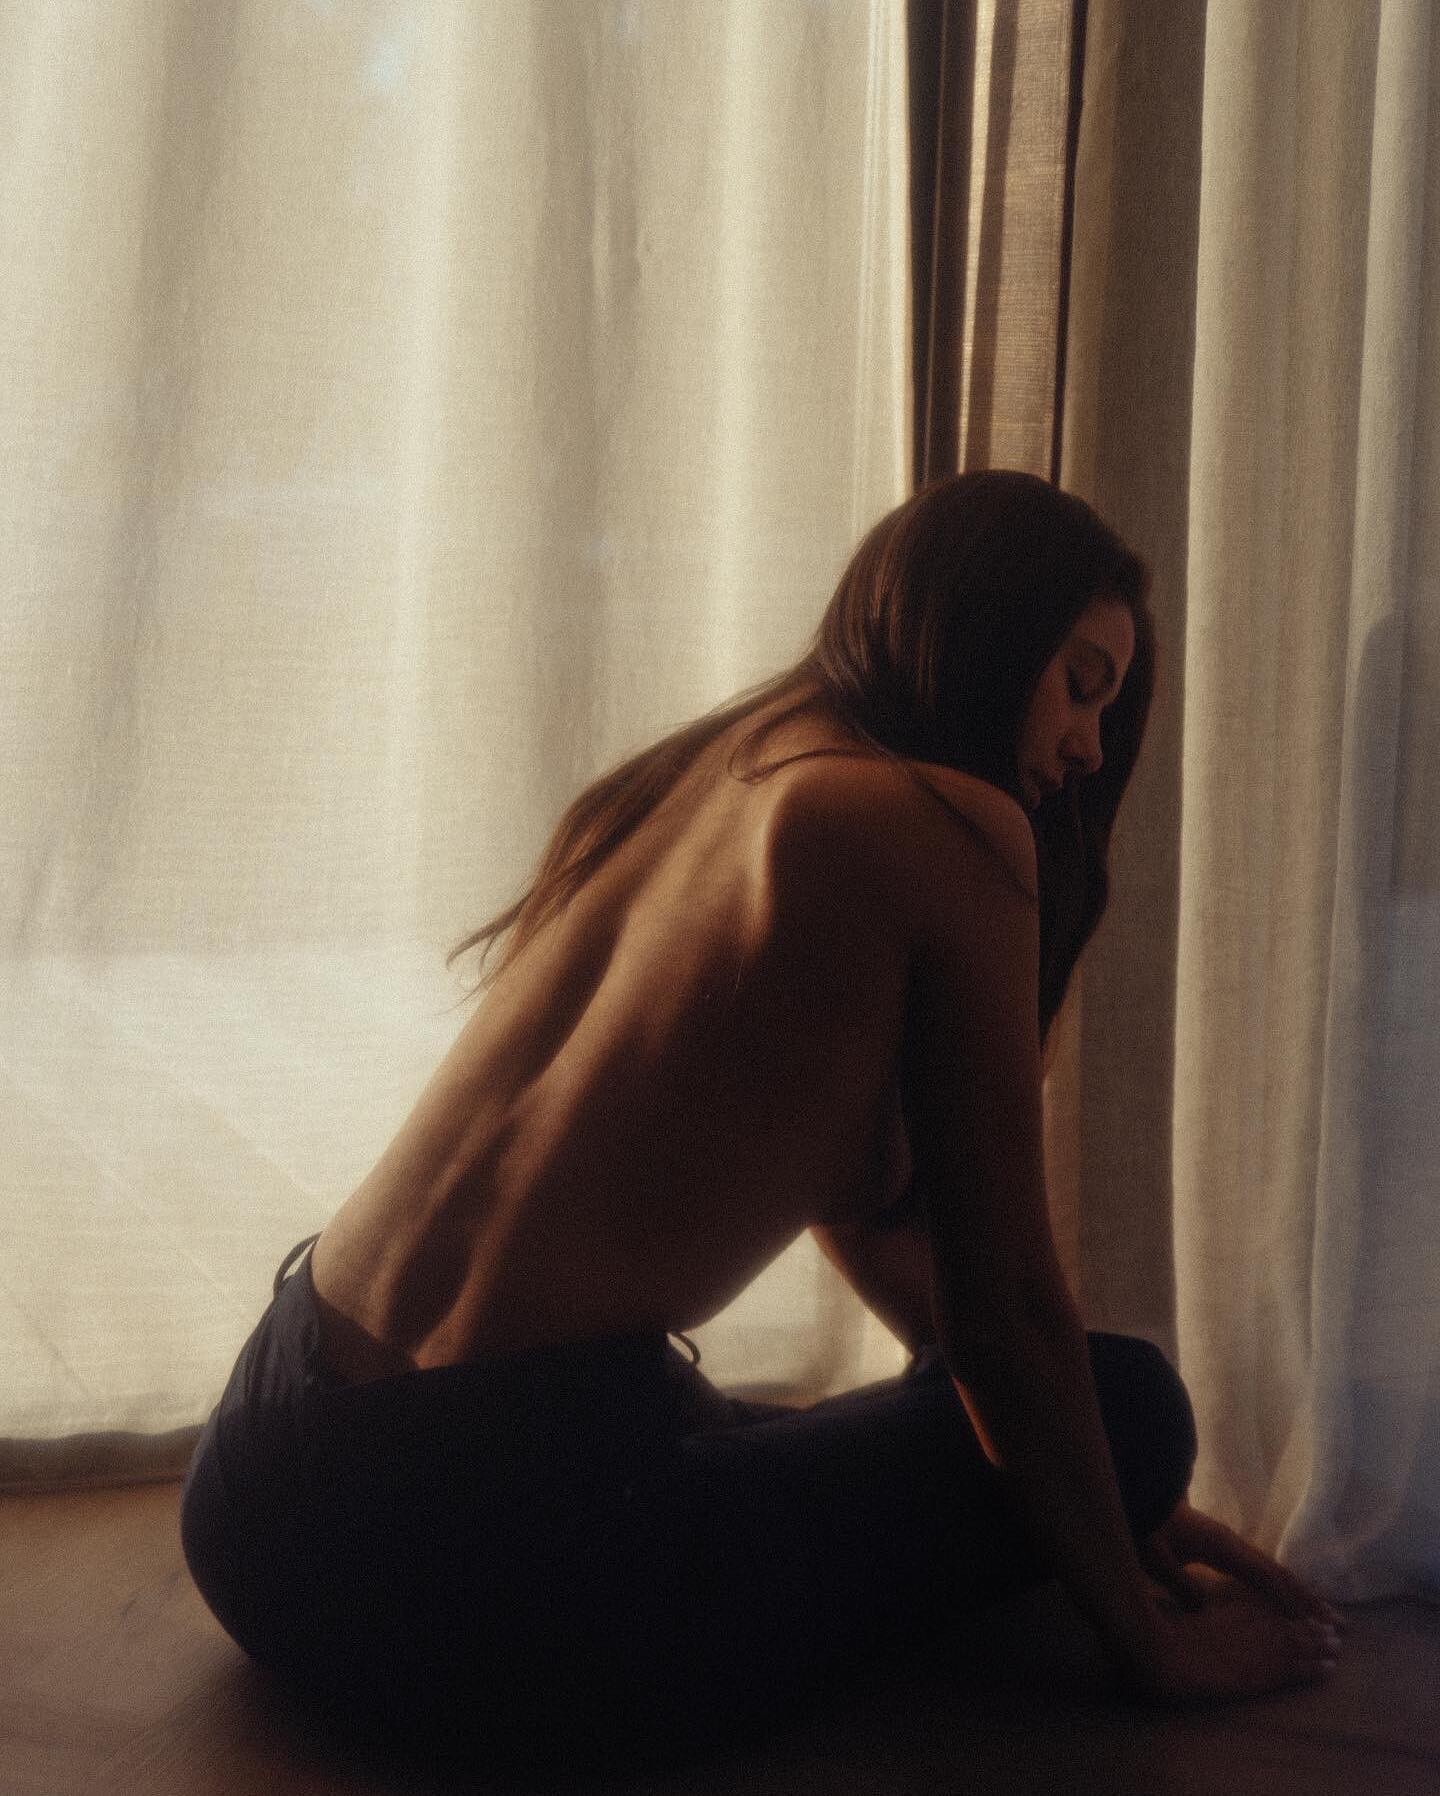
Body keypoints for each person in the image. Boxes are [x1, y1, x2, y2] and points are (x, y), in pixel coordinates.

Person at [180, 471, 1344, 1781]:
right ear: (986, 623)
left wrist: (1055, 1480)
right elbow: (1009, 1310)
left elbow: (864, 1217)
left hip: (259, 1487)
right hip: (465, 1577)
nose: (1087, 747)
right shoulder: (947, 826)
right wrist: (1143, 1627)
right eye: (1081, 686)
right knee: (1129, 1405)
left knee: (1011, 1423)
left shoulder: (720, 764)